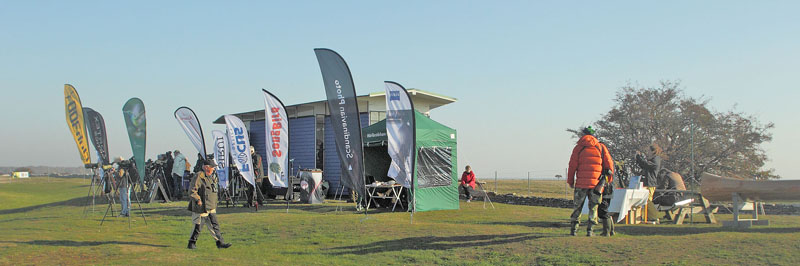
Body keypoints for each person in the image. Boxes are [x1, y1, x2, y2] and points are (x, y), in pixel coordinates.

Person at [567, 126, 614, 236]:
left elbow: (572, 166)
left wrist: (570, 181)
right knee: (593, 207)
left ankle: (574, 230)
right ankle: (590, 230)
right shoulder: (601, 147)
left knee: (577, 207)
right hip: (596, 184)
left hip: (581, 183)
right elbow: (609, 165)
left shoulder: (578, 148)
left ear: (583, 134)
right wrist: (608, 180)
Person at [187, 159, 232, 249]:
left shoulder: (211, 176)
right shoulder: (199, 176)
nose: (213, 169)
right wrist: (198, 200)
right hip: (201, 206)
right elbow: (192, 191)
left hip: (211, 206)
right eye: (212, 167)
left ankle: (220, 243)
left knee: (214, 226)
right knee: (198, 226)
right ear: (206, 167)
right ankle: (191, 243)